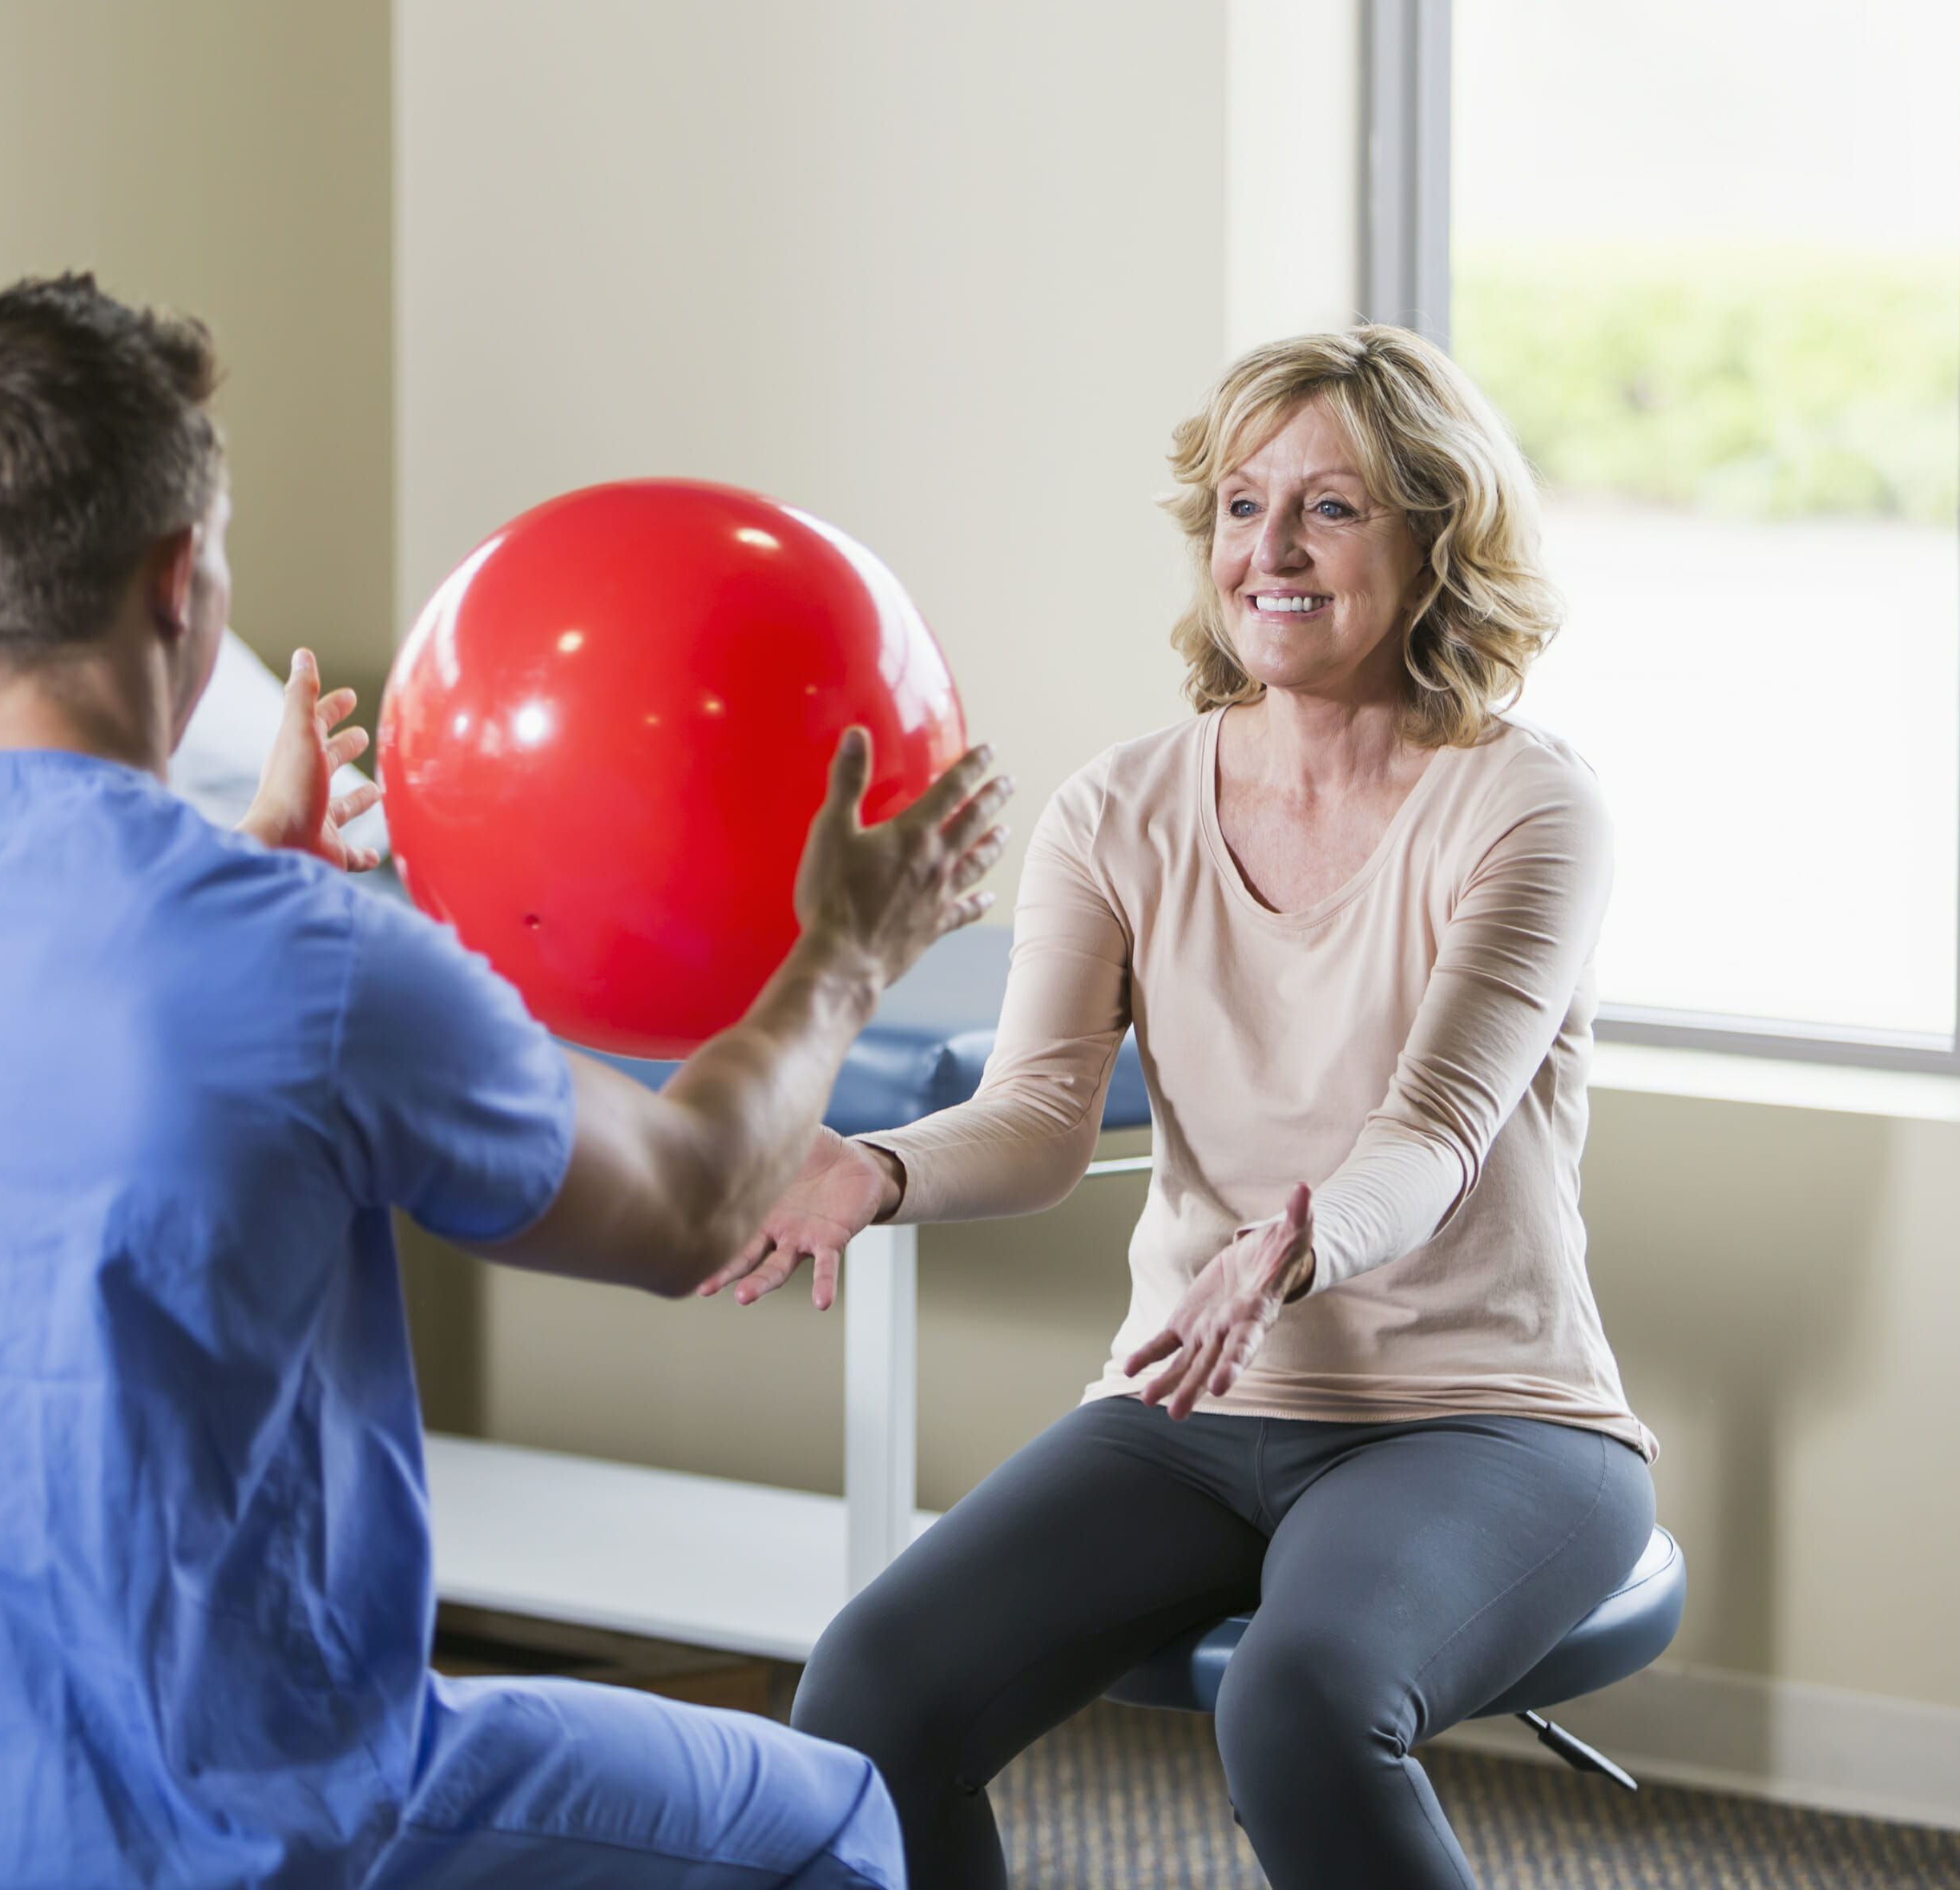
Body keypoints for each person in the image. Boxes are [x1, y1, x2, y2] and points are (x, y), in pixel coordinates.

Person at [0, 275, 1008, 1890]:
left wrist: (240, 885)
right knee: (833, 1823)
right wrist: (844, 952)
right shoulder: (302, 962)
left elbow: (21, 1077)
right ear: (176, 575)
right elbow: (694, 1203)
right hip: (203, 1845)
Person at [708, 327, 1655, 1890]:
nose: (1267, 550)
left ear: (1436, 537)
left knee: (1300, 1701)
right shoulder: (1121, 806)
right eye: (1237, 505)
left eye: (1331, 510)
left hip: (1491, 1420)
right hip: (1191, 1414)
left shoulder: (1525, 807)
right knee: (870, 1690)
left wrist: (1283, 1249)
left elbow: (1430, 1133)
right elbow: (1036, 1118)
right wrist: (875, 1170)